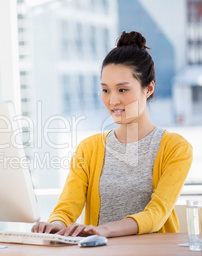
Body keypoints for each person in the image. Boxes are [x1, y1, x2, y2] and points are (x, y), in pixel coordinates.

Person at [32, 31, 193, 238]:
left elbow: (156, 215)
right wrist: (56, 224)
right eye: (106, 90)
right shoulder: (89, 148)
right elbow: (67, 207)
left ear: (149, 89)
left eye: (123, 90)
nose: (113, 101)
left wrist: (101, 230)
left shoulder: (175, 148)